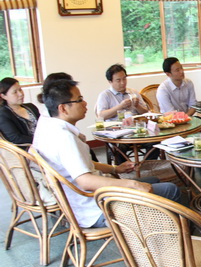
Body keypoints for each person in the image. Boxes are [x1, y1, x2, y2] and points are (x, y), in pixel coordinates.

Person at [32, 79, 182, 228]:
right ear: (63, 108)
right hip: (96, 207)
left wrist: (114, 169)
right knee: (171, 189)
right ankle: (176, 237)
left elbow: (81, 164)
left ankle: (162, 227)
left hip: (81, 203)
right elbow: (85, 181)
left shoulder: (48, 126)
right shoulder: (65, 138)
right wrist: (133, 184)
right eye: (79, 100)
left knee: (154, 180)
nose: (85, 103)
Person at [95, 64, 158, 164]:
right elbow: (101, 115)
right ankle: (125, 169)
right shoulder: (105, 95)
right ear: (110, 81)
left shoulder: (133, 92)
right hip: (118, 131)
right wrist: (120, 106)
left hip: (137, 129)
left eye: (124, 79)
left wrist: (137, 106)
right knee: (119, 148)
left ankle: (147, 166)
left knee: (155, 141)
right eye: (118, 80)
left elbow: (146, 113)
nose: (122, 83)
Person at [0, 77, 40, 146]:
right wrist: (41, 140)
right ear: (3, 96)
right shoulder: (3, 114)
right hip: (27, 148)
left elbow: (44, 125)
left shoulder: (31, 107)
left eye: (20, 90)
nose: (20, 94)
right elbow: (16, 138)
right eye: (15, 92)